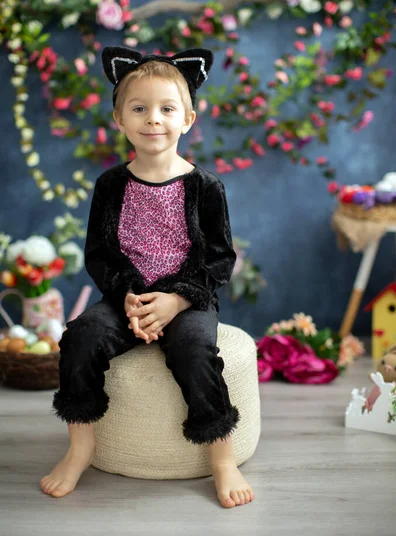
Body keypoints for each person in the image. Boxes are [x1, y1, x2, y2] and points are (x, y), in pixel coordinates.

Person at [40, 46, 254, 508]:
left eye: (166, 109)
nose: (153, 119)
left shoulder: (204, 186)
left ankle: (221, 457)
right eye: (139, 108)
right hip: (128, 296)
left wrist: (176, 300)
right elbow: (99, 255)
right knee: (79, 337)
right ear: (119, 119)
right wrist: (129, 297)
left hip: (188, 298)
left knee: (194, 348)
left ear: (188, 119)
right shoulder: (111, 185)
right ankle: (80, 448)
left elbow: (219, 258)